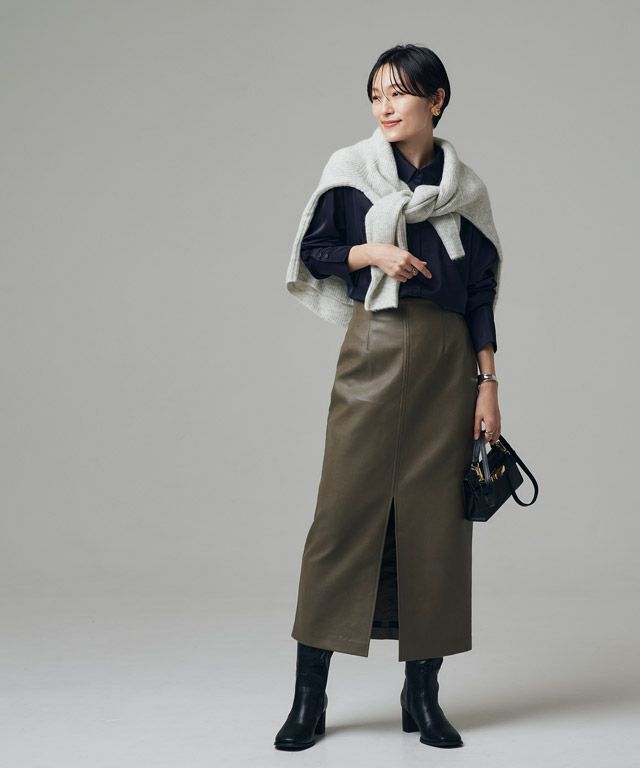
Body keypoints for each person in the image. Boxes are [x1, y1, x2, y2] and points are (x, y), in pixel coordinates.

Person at [275, 43, 503, 751]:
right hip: (374, 345)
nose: (385, 105)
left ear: (437, 100)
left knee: (437, 526)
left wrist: (488, 384)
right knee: (342, 517)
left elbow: (481, 293)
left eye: (399, 92)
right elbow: (313, 252)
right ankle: (308, 699)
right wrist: (371, 253)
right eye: (376, 94)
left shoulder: (466, 190)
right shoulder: (352, 172)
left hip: (448, 361)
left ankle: (422, 697)